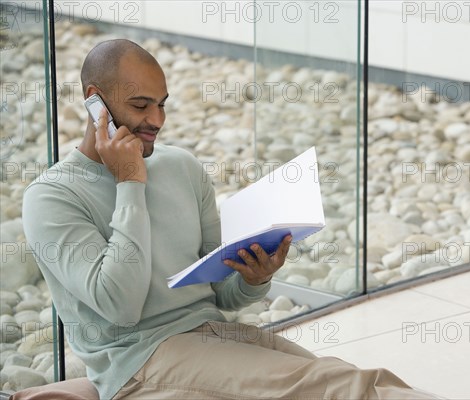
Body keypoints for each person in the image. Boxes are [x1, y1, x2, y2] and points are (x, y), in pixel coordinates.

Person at [17, 39, 434, 399]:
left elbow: (221, 294)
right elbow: (120, 306)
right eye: (141, 106)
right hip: (139, 365)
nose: (157, 121)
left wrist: (255, 278)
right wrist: (130, 183)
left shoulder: (181, 166)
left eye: (162, 105)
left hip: (212, 333)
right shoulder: (52, 197)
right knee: (339, 388)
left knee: (353, 379)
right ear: (95, 101)